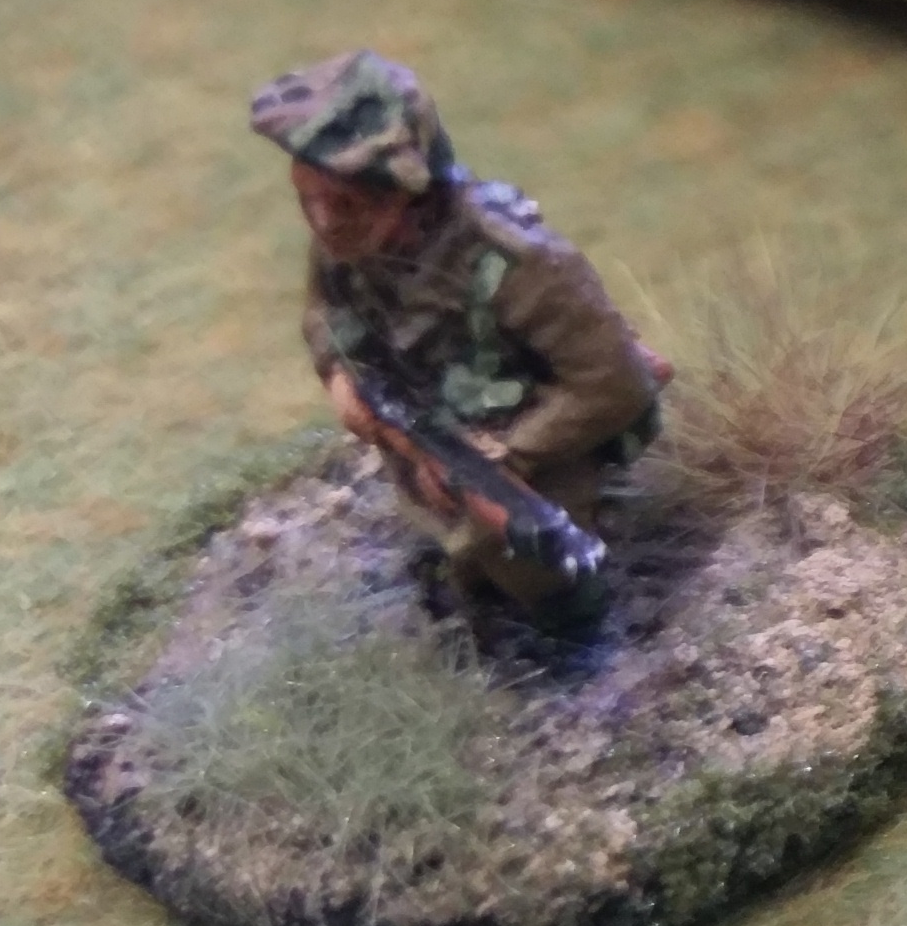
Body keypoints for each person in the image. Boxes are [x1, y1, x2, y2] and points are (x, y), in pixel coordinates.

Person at [248, 51, 664, 631]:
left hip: (540, 439)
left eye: (344, 203)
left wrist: (507, 455)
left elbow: (617, 386)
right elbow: (326, 309)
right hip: (428, 419)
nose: (322, 222)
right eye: (307, 199)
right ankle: (465, 587)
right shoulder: (349, 236)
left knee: (528, 557)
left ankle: (576, 636)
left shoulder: (517, 262)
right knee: (450, 537)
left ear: (403, 189)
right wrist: (338, 373)